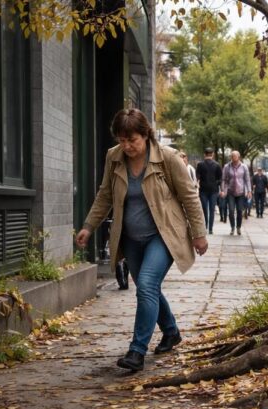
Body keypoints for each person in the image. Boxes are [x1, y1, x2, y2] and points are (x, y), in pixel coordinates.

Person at [75, 109, 207, 372]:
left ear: (146, 135)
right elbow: (105, 195)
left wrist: (199, 234)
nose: (127, 146)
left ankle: (137, 351)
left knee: (146, 284)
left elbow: (189, 196)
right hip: (131, 238)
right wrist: (89, 226)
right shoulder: (114, 157)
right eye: (122, 140)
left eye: (132, 140)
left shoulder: (167, 158)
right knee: (149, 288)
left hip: (163, 235)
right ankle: (171, 332)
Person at [221, 150, 251, 235]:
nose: (233, 157)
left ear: (238, 157)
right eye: (232, 156)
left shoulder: (244, 167)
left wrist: (249, 191)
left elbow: (247, 180)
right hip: (230, 192)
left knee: (239, 211)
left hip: (241, 192)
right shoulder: (227, 166)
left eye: (235, 156)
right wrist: (223, 190)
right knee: (231, 210)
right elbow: (223, 179)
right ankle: (232, 227)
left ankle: (238, 227)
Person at [195, 147, 222, 234]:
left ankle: (205, 226)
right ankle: (210, 229)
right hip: (214, 190)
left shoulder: (200, 165)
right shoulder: (217, 165)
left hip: (203, 190)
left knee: (204, 209)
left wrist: (198, 184)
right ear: (212, 154)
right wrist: (216, 184)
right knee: (212, 209)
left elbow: (197, 177)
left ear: (204, 154)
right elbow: (220, 178)